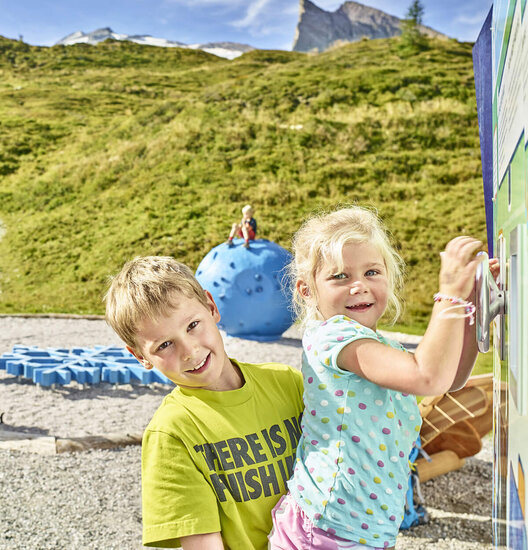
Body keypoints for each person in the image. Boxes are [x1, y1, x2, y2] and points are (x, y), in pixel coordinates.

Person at [269, 206, 484, 549]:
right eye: (339, 277)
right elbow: (426, 378)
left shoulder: (378, 343)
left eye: (372, 272)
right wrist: (450, 295)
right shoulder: (333, 337)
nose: (359, 286)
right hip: (327, 528)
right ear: (307, 291)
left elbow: (447, 378)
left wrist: (472, 307)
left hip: (363, 528)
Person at [104, 256, 304, 549]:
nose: (189, 350)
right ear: (140, 357)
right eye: (164, 345)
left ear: (212, 307)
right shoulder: (173, 434)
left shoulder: (289, 383)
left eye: (193, 325)